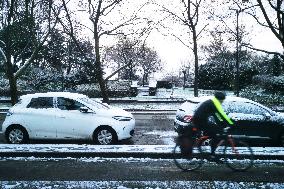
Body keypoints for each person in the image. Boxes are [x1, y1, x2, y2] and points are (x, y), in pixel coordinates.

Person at [192, 91, 234, 161]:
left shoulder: (212, 102)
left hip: (200, 120)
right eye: (222, 100)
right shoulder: (214, 103)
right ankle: (212, 154)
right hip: (200, 121)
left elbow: (218, 115)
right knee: (216, 135)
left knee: (214, 131)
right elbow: (220, 115)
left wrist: (223, 123)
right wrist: (229, 124)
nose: (222, 102)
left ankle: (209, 150)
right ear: (219, 99)